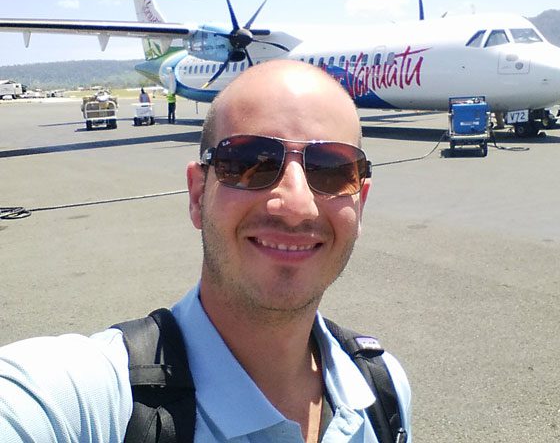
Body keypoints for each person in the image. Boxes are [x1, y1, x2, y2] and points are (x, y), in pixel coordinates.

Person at [0, 60, 411, 442]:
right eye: (249, 161)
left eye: (334, 169)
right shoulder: (89, 395)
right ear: (198, 195)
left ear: (360, 203)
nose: (296, 205)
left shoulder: (384, 390)